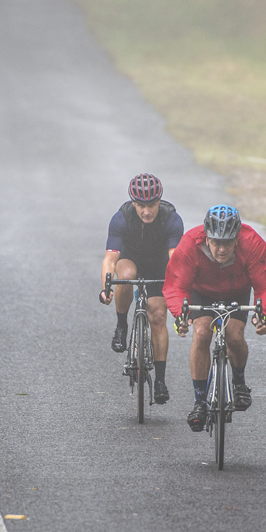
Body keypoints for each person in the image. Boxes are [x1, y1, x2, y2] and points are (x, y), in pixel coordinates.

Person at [162, 205, 266, 431]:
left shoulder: (252, 243)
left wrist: (262, 314)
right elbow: (176, 284)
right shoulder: (190, 243)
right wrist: (180, 315)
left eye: (227, 243)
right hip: (202, 292)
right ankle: (199, 402)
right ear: (206, 237)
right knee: (201, 334)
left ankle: (239, 383)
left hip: (236, 292)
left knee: (234, 336)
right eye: (216, 242)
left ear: (237, 238)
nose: (221, 249)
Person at [100, 173, 184, 404]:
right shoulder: (121, 218)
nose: (146, 211)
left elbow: (176, 262)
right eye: (141, 206)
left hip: (159, 266)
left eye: (152, 205)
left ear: (159, 201)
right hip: (131, 259)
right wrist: (106, 287)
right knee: (126, 276)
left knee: (157, 316)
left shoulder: (171, 219)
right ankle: (121, 326)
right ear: (133, 203)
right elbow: (110, 260)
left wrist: (179, 294)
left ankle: (160, 381)